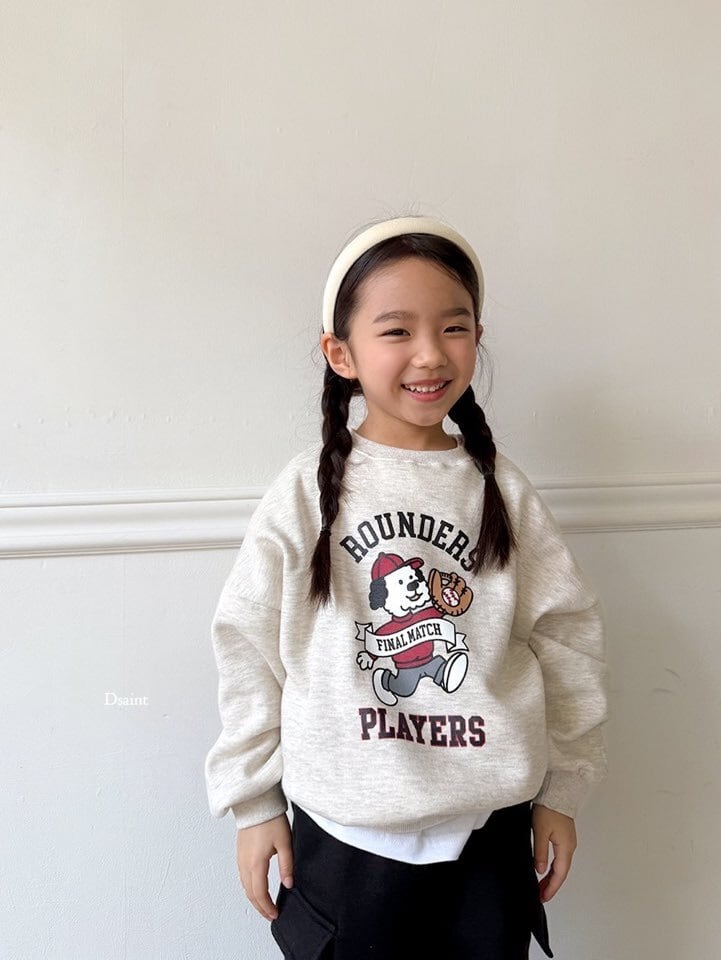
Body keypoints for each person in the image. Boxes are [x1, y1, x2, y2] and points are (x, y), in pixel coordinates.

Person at [204, 215, 609, 959]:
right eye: (396, 330)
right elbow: (249, 649)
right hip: (341, 844)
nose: (430, 353)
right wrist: (253, 802)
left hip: (488, 841)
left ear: (477, 337)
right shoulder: (303, 493)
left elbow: (566, 638)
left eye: (454, 327)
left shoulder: (502, 490)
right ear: (340, 353)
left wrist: (563, 790)